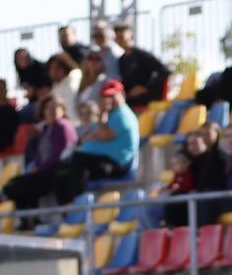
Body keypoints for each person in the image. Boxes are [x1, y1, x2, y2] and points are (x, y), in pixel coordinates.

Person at [6, 79, 138, 211]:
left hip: (114, 165)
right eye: (106, 96)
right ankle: (67, 211)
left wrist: (102, 115)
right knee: (61, 172)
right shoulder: (113, 115)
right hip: (98, 161)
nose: (109, 100)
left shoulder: (123, 115)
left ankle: (75, 207)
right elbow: (89, 137)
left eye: (112, 95)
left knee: (75, 163)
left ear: (122, 95)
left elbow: (103, 135)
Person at [163, 125, 229, 227]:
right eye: (190, 144)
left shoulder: (218, 158)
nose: (193, 147)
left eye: (196, 143)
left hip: (209, 197)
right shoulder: (187, 160)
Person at [113, 24, 171, 109]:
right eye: (118, 38)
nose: (120, 41)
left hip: (148, 101)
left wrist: (145, 87)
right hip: (129, 102)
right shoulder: (121, 60)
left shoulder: (142, 55)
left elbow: (164, 71)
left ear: (131, 36)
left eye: (122, 37)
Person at [23, 97, 78, 178]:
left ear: (63, 110)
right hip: (43, 167)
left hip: (55, 170)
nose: (52, 110)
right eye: (48, 108)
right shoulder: (47, 127)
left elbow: (57, 155)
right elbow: (40, 153)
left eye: (55, 107)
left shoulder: (61, 125)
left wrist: (40, 169)